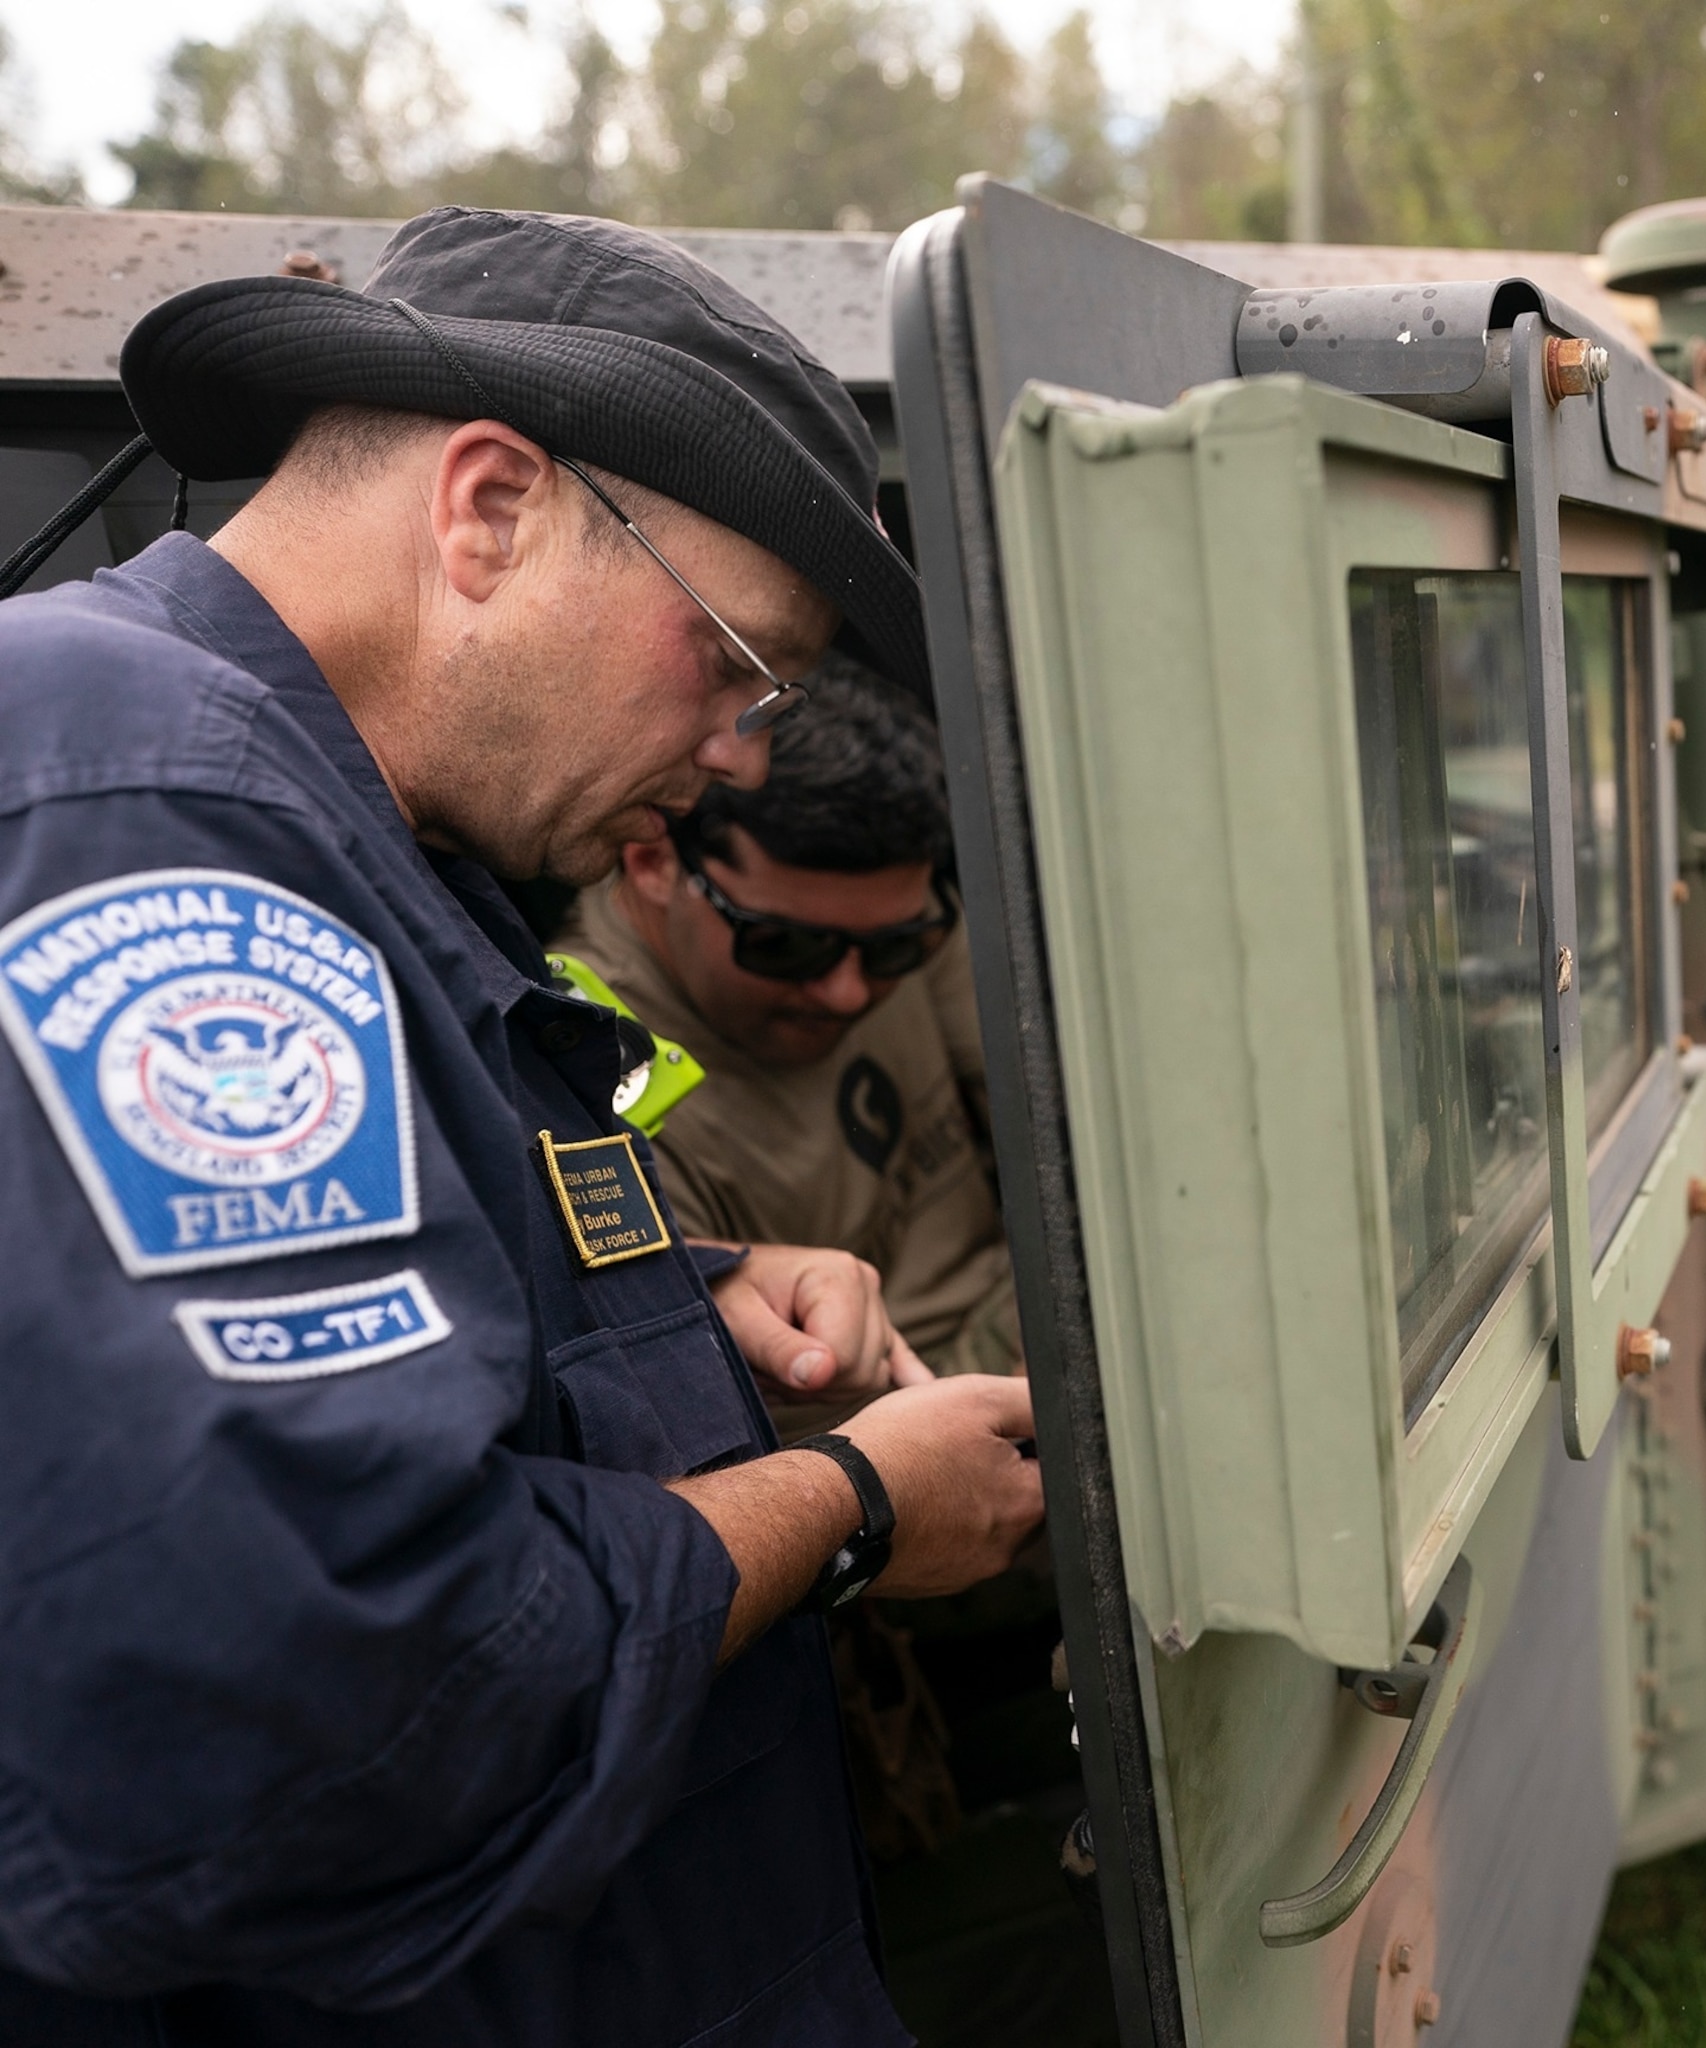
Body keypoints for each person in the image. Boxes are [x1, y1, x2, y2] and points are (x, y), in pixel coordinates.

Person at [0, 208, 1045, 2044]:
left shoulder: (349, 820)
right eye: (734, 658)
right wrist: (859, 1501)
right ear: (487, 510)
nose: (738, 748)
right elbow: (337, 1680)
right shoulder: (151, 816)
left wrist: (671, 1297)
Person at [554, 666, 1021, 1426]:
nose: (848, 991)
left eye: (898, 949)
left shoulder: (888, 919)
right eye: (788, 947)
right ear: (653, 863)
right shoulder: (591, 1083)